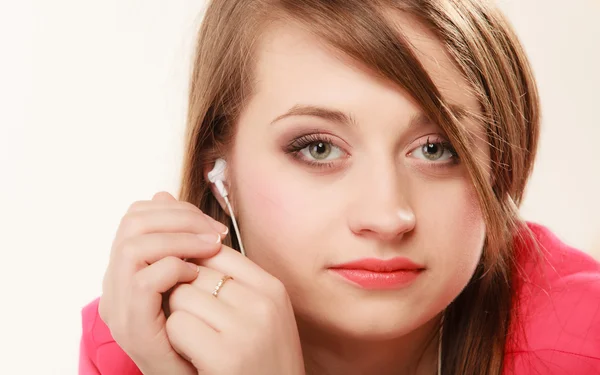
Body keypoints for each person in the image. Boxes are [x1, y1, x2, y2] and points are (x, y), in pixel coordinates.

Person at [79, 0, 600, 374]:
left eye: (437, 148)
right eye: (318, 148)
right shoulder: (139, 332)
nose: (388, 215)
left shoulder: (583, 343)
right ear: (221, 170)